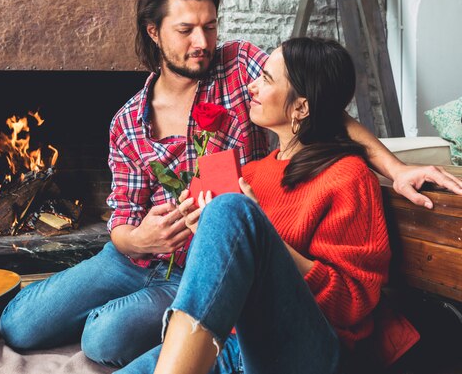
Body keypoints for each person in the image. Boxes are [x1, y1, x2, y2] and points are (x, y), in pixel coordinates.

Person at [0, 0, 462, 369]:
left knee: (103, 338)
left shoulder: (241, 67)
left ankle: (137, 318)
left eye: (210, 26)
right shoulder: (131, 122)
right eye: (186, 30)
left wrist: (395, 166)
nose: (202, 41)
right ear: (154, 32)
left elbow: (323, 106)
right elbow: (121, 216)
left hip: (205, 266)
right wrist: (140, 238)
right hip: (140, 255)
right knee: (18, 325)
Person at [122, 37, 391, 374]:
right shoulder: (252, 173)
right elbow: (218, 289)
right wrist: (204, 231)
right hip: (231, 342)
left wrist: (263, 234)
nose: (251, 86)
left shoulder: (349, 177)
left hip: (309, 350)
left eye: (266, 79)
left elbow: (353, 303)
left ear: (301, 108)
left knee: (232, 209)